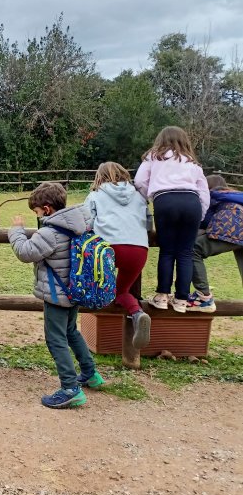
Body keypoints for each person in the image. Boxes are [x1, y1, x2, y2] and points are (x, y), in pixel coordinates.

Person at [9, 182, 104, 409]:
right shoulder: (82, 224)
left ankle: (70, 388)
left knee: (56, 339)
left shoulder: (50, 233)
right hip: (75, 289)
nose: (38, 216)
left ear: (47, 208)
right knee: (71, 331)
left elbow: (25, 252)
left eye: (37, 211)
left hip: (56, 294)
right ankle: (90, 374)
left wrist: (16, 232)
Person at [134, 126, 209, 313]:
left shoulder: (154, 157)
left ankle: (162, 296)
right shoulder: (192, 162)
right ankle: (182, 300)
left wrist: (151, 196)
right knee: (185, 252)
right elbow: (204, 191)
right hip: (191, 202)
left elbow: (140, 181)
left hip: (165, 200)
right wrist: (199, 216)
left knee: (167, 251)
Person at [84, 162, 151, 349]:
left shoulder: (96, 195)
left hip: (108, 247)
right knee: (122, 291)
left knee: (98, 284)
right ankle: (138, 313)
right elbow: (148, 223)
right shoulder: (139, 196)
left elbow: (86, 222)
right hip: (138, 249)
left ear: (99, 177)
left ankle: (86, 304)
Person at [189, 175, 243, 313]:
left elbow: (204, 221)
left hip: (234, 229)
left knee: (193, 248)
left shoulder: (212, 196)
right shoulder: (236, 195)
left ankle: (204, 297)